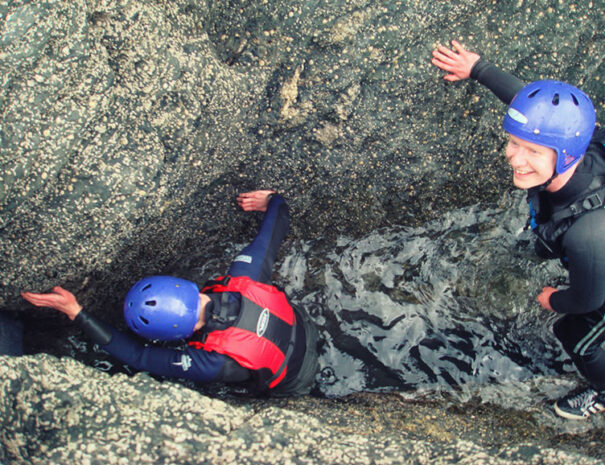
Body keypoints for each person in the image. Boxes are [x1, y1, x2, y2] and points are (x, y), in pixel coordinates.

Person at [432, 41, 605, 420]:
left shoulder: (588, 235)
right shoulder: (577, 139)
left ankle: (602, 390)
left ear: (566, 156)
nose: (514, 157)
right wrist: (479, 68)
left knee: (576, 336)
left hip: (597, 267)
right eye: (513, 142)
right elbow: (534, 108)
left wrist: (554, 299)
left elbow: (589, 300)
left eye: (532, 152)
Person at [22, 190, 319, 397]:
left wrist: (78, 313)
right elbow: (275, 226)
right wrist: (272, 199)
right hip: (307, 327)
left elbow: (140, 356)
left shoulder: (209, 363)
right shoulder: (244, 277)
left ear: (176, 336)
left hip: (297, 381)